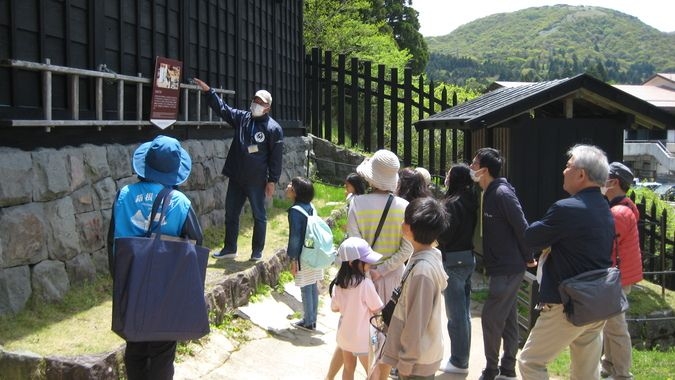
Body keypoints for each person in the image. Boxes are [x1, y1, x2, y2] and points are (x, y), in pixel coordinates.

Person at [107, 135, 204, 380]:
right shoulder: (180, 202)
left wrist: (120, 278)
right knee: (162, 350)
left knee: (135, 345)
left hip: (131, 280)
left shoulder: (124, 194)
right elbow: (195, 243)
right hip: (166, 287)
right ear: (175, 171)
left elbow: (112, 243)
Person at [519, 144, 615, 380]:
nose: (564, 171)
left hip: (567, 303)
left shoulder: (567, 209)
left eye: (568, 165)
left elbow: (531, 236)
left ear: (581, 174)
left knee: (530, 362)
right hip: (598, 300)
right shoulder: (604, 207)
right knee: (586, 372)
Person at [327, 149, 413, 380]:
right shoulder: (404, 206)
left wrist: (370, 270)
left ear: (371, 177)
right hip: (393, 280)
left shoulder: (357, 204)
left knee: (351, 333)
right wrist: (383, 269)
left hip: (360, 278)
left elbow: (354, 245)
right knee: (383, 342)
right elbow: (407, 249)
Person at [193, 78, 283, 262]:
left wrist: (272, 180)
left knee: (259, 215)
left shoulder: (273, 129)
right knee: (231, 213)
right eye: (255, 101)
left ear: (268, 107)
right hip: (236, 176)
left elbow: (276, 158)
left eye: (261, 103)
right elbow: (223, 109)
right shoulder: (243, 118)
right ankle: (229, 248)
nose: (256, 104)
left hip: (257, 180)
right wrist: (209, 92)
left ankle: (257, 251)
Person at [470, 147, 536, 380]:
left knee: (490, 316)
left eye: (474, 163)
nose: (471, 167)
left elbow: (522, 226)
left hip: (509, 266)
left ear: (485, 170)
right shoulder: (489, 191)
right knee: (507, 316)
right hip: (501, 265)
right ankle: (507, 368)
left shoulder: (502, 193)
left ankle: (491, 369)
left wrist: (529, 257)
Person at [381, 197, 450, 380]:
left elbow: (416, 320)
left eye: (405, 220)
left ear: (410, 228)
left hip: (417, 363)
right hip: (419, 357)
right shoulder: (427, 256)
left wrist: (406, 362)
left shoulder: (422, 271)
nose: (402, 223)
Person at [600, 162, 643, 380]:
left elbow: (604, 243)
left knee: (616, 328)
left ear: (614, 182)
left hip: (617, 277)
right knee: (610, 325)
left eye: (604, 177)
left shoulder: (618, 212)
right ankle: (609, 365)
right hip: (620, 275)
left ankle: (623, 375)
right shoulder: (622, 208)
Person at [437, 164, 479, 374]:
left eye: (448, 174)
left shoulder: (451, 203)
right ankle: (462, 358)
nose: (446, 177)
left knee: (456, 316)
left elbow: (445, 234)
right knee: (464, 313)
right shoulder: (472, 199)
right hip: (468, 258)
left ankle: (459, 361)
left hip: (452, 259)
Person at [330, 237, 385, 380]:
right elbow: (377, 307)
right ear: (352, 263)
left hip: (345, 336)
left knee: (348, 369)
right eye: (366, 262)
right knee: (373, 372)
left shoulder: (338, 285)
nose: (369, 265)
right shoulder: (365, 284)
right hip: (364, 339)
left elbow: (334, 308)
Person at [285, 176, 324, 331]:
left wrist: (293, 260)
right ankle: (312, 319)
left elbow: (295, 238)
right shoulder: (311, 207)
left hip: (304, 255)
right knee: (313, 285)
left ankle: (308, 322)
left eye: (291, 185)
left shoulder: (295, 212)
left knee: (305, 287)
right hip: (315, 252)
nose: (288, 186)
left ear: (295, 192)